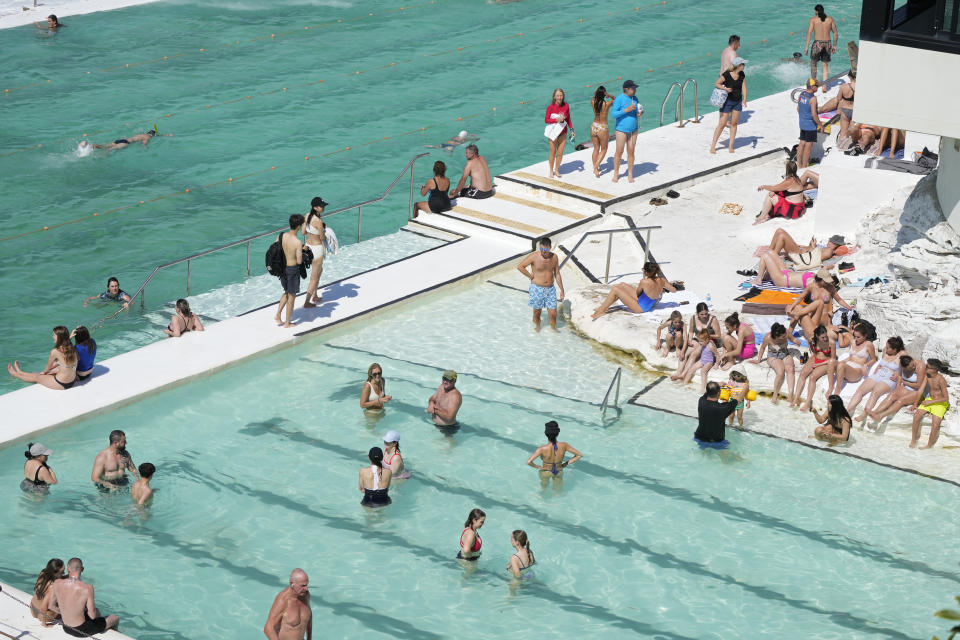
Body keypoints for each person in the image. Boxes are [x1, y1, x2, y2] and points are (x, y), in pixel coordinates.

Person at [48, 558, 120, 638]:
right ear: (82, 569)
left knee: (97, 611)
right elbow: (92, 615)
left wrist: (67, 613)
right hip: (81, 630)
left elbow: (51, 606)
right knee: (115, 618)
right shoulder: (87, 588)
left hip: (66, 627)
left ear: (68, 569)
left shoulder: (57, 583)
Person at [590, 261, 675, 319]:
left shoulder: (644, 281)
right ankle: (603, 307)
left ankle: (601, 310)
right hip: (646, 303)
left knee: (616, 289)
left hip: (640, 308)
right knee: (622, 285)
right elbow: (673, 290)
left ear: (646, 272)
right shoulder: (662, 280)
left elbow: (638, 293)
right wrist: (661, 288)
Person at [847, 336, 907, 416]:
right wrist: (874, 374)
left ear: (895, 350)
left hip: (889, 378)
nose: (886, 348)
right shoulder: (886, 351)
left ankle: (864, 414)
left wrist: (898, 374)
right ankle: (847, 411)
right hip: (878, 375)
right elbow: (879, 365)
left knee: (875, 392)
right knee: (860, 390)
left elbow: (907, 366)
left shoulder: (901, 355)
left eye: (888, 347)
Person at [517, 237, 565, 331]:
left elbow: (557, 274)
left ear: (550, 247)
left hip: (550, 289)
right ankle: (537, 327)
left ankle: (553, 329)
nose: (543, 251)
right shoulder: (534, 256)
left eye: (545, 249)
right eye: (541, 249)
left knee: (553, 313)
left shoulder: (554, 257)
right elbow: (520, 266)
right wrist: (530, 276)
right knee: (537, 312)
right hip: (537, 288)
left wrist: (562, 290)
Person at [8, 325, 78, 390]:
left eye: (54, 335)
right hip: (71, 381)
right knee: (43, 374)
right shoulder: (72, 348)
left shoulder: (55, 351)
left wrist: (44, 372)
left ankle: (16, 374)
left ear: (59, 337)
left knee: (38, 377)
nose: (53, 337)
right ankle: (20, 372)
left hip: (61, 383)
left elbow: (48, 366)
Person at [749, 322, 802, 405]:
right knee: (780, 372)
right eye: (783, 337)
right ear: (776, 336)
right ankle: (775, 394)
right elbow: (762, 348)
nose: (785, 337)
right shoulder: (768, 337)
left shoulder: (786, 332)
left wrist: (796, 341)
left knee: (790, 369)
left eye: (785, 335)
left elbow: (792, 339)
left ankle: (791, 394)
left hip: (785, 353)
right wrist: (758, 360)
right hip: (773, 356)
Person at [865, 356, 926, 423]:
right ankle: (875, 412)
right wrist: (897, 390)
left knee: (900, 400)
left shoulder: (920, 366)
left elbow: (919, 385)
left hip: (917, 392)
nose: (914, 367)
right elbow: (899, 377)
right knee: (892, 395)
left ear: (912, 359)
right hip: (906, 388)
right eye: (911, 367)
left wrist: (905, 382)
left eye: (913, 364)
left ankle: (881, 416)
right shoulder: (901, 364)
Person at [791, 325, 837, 412]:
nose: (825, 339)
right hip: (815, 358)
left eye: (826, 336)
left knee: (813, 378)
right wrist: (812, 353)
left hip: (826, 362)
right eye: (822, 337)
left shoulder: (831, 343)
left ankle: (808, 402)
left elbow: (833, 359)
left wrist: (819, 365)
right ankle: (796, 399)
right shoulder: (814, 340)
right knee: (802, 374)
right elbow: (811, 346)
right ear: (817, 336)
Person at [526, 420, 583, 488]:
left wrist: (539, 467)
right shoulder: (564, 445)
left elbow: (529, 462)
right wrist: (565, 464)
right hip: (558, 471)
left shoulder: (542, 448)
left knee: (543, 490)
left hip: (546, 472)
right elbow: (579, 455)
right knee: (558, 492)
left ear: (546, 434)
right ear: (557, 433)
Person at [710, 58, 747, 154]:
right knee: (722, 124)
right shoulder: (727, 74)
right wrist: (725, 88)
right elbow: (717, 83)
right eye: (743, 64)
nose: (744, 66)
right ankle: (713, 146)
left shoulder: (742, 74)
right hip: (727, 102)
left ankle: (731, 146)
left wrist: (745, 99)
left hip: (737, 102)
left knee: (734, 124)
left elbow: (744, 86)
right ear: (738, 66)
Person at [910, 359, 950, 449]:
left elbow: (946, 399)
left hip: (940, 403)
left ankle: (929, 445)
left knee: (935, 424)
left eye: (927, 367)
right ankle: (913, 440)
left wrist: (930, 402)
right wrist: (915, 404)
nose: (925, 368)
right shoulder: (927, 376)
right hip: (930, 399)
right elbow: (921, 390)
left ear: (934, 369)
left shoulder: (941, 380)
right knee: (916, 416)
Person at [753, 160, 807, 225]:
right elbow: (779, 187)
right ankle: (766, 213)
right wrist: (774, 191)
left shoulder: (789, 181)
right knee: (775, 193)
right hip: (799, 209)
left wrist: (763, 186)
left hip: (793, 211)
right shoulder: (797, 178)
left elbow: (774, 187)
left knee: (770, 196)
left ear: (787, 169)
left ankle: (761, 218)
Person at [761, 229, 845, 270]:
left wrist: (812, 247)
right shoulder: (826, 249)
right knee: (779, 232)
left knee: (781, 233)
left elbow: (813, 258)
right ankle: (771, 253)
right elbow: (812, 253)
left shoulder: (829, 251)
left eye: (830, 241)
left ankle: (772, 256)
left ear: (834, 244)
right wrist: (809, 246)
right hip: (800, 252)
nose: (828, 241)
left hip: (799, 256)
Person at [263, 568, 312, 640]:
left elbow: (309, 617)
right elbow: (268, 629)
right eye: (303, 586)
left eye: (307, 585)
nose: (306, 589)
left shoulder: (305, 595)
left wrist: (309, 638)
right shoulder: (283, 601)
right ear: (292, 584)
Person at [827, 325, 876, 396]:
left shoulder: (869, 345)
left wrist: (866, 365)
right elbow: (850, 357)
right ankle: (831, 387)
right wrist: (839, 362)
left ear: (865, 336)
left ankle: (837, 390)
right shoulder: (852, 342)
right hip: (846, 367)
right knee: (831, 361)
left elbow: (873, 359)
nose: (856, 339)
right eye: (855, 336)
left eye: (858, 337)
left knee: (841, 365)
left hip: (856, 372)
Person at [274, 214, 305, 328]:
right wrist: (302, 251)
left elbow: (275, 250)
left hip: (281, 269)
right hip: (292, 270)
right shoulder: (297, 242)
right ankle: (287, 322)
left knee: (286, 291)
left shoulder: (281, 236)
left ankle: (278, 315)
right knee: (292, 296)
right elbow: (299, 261)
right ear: (298, 226)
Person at [610, 80, 642, 183]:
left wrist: (639, 113)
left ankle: (630, 174)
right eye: (633, 88)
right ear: (626, 89)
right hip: (621, 130)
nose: (635, 90)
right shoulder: (619, 99)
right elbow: (613, 114)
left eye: (635, 88)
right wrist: (626, 110)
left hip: (633, 129)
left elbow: (636, 111)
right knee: (619, 151)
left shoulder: (635, 98)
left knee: (631, 152)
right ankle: (616, 173)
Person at [302, 197, 329, 307]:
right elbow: (322, 238)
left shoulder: (307, 216)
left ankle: (315, 294)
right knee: (314, 277)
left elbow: (303, 232)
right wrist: (323, 229)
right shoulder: (318, 221)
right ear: (315, 207)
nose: (323, 208)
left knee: (319, 271)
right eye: (321, 206)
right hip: (317, 250)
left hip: (308, 247)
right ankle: (307, 302)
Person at [694, 381, 738, 446]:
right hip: (716, 441)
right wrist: (744, 389)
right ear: (718, 393)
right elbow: (738, 400)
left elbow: (707, 393)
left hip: (699, 437)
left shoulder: (701, 401)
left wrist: (718, 385)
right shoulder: (723, 408)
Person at [805, 4, 839, 83]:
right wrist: (834, 45)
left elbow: (809, 33)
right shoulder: (830, 19)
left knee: (814, 64)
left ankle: (813, 83)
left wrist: (806, 47)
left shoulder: (813, 20)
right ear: (823, 10)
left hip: (817, 44)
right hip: (828, 44)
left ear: (816, 11)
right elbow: (835, 33)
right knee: (825, 65)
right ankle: (824, 85)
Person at [544, 88, 574, 178]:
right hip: (553, 132)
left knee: (560, 153)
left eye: (561, 95)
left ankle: (557, 170)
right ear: (554, 97)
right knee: (553, 152)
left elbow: (568, 118)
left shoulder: (566, 106)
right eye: (558, 96)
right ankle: (550, 170)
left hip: (563, 132)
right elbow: (546, 120)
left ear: (563, 96)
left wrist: (572, 130)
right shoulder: (551, 107)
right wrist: (556, 120)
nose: (559, 97)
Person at [818, 70, 856, 139]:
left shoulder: (844, 86)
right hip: (852, 110)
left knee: (823, 109)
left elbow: (839, 98)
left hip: (844, 110)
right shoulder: (862, 88)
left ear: (850, 77)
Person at [30, 558, 64, 626]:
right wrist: (44, 623)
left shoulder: (43, 573)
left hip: (33, 609)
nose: (63, 573)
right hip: (46, 615)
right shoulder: (52, 587)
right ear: (55, 573)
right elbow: (43, 608)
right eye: (62, 572)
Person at [589, 86, 614, 177]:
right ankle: (596, 168)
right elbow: (617, 99)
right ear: (604, 94)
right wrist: (609, 95)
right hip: (602, 128)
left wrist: (596, 93)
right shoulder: (607, 104)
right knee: (604, 149)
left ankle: (595, 167)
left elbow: (593, 97)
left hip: (594, 126)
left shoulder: (593, 102)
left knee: (596, 148)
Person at [797, 78, 821, 168]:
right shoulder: (813, 98)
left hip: (802, 124)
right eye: (817, 86)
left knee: (802, 143)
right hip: (810, 126)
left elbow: (798, 109)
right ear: (812, 86)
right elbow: (814, 115)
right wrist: (820, 125)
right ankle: (804, 166)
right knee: (808, 146)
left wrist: (803, 118)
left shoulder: (801, 94)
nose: (818, 87)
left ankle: (798, 164)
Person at [92, 128, 172, 155]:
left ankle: (93, 145)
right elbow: (145, 144)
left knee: (104, 146)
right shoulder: (148, 138)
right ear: (152, 136)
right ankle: (102, 156)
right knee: (109, 150)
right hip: (125, 143)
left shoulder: (143, 134)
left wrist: (166, 135)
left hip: (121, 140)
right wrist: (145, 148)